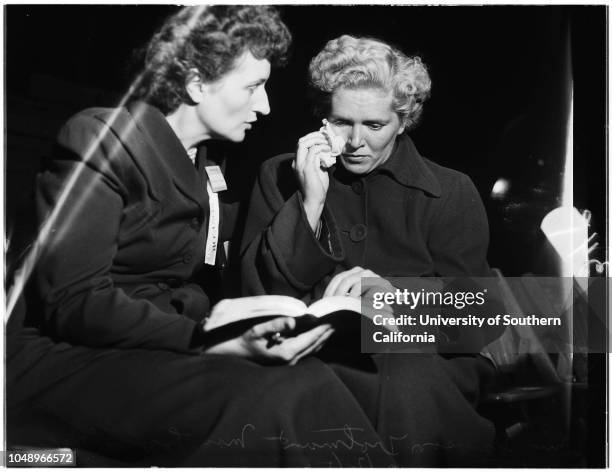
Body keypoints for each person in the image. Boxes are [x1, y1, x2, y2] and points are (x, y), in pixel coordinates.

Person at [6, 10, 401, 467]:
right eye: (253, 87)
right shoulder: (102, 137)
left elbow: (225, 249)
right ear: (195, 84)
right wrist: (207, 337)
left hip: (145, 345)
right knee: (280, 394)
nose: (266, 106)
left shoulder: (202, 162)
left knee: (309, 379)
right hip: (59, 360)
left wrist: (309, 198)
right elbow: (74, 302)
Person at [241, 35, 503, 465]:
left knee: (403, 379)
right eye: (342, 122)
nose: (355, 141)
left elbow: (477, 321)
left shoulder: (450, 191)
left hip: (426, 367)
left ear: (403, 121)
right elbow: (257, 294)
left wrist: (397, 297)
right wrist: (309, 203)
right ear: (322, 117)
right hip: (310, 356)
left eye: (375, 126)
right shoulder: (279, 176)